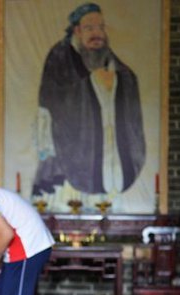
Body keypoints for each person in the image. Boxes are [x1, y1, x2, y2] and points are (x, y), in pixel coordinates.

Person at [33, 2, 145, 208]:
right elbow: (52, 102)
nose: (97, 34)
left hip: (107, 152)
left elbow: (124, 77)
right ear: (77, 30)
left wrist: (115, 83)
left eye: (101, 28)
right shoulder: (60, 56)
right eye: (90, 28)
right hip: (71, 150)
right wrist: (91, 85)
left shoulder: (105, 55)